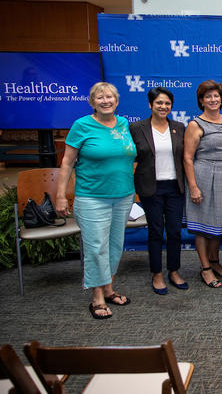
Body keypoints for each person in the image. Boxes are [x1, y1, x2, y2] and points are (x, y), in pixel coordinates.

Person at [56, 82, 136, 320]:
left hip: (122, 196)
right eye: (99, 98)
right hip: (92, 198)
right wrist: (61, 195)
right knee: (96, 247)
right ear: (92, 102)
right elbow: (67, 163)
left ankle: (109, 288)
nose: (105, 101)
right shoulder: (82, 126)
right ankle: (97, 297)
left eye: (109, 97)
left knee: (113, 246)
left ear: (117, 101)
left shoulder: (123, 124)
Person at [184, 80, 222, 288]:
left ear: (221, 98)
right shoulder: (195, 124)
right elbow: (188, 158)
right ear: (201, 100)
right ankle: (205, 268)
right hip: (204, 175)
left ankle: (215, 260)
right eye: (208, 96)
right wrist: (193, 186)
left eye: (216, 96)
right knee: (203, 225)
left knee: (217, 222)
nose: (213, 100)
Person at [129, 87, 188, 295]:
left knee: (174, 231)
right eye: (159, 103)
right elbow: (129, 157)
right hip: (150, 188)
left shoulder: (179, 127)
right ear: (150, 105)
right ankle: (157, 273)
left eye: (167, 104)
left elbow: (186, 157)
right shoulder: (136, 128)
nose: (163, 107)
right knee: (155, 232)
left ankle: (174, 270)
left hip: (175, 187)